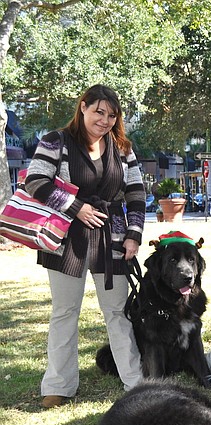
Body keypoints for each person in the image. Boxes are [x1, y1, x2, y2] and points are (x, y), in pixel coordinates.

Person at [23, 85, 146, 408]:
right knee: (65, 311)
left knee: (117, 311)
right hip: (65, 238)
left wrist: (133, 235)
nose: (104, 120)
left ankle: (135, 383)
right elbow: (35, 181)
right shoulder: (56, 141)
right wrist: (76, 207)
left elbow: (135, 193)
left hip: (112, 238)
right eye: (99, 112)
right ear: (83, 107)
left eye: (112, 115)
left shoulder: (122, 148)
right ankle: (59, 385)